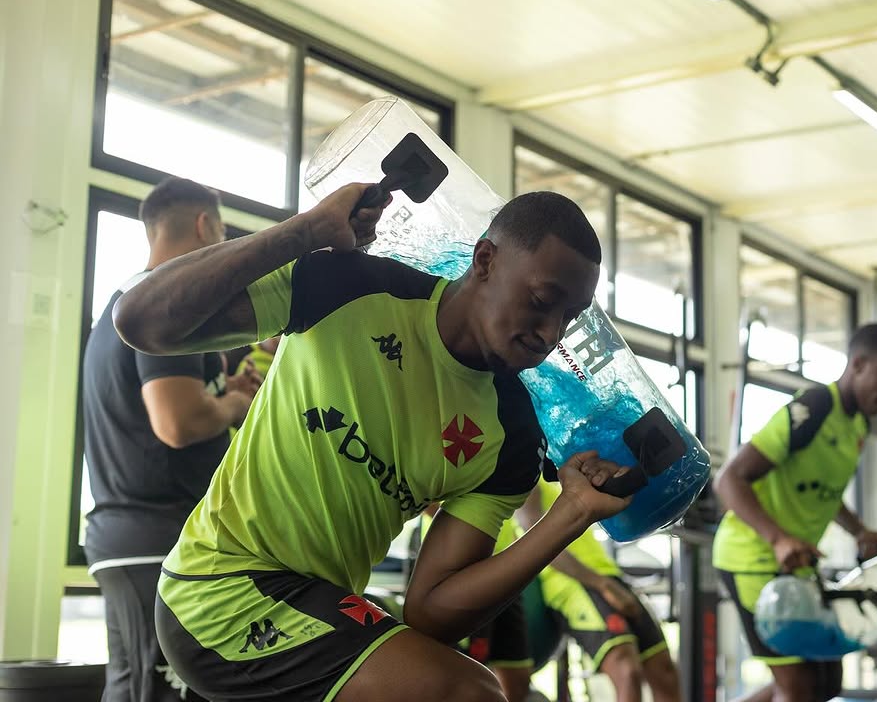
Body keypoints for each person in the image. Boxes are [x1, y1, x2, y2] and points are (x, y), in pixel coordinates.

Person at [113, 184, 632, 702]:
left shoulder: (512, 436)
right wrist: (305, 231)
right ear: (485, 260)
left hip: (317, 606)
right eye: (541, 302)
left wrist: (570, 514)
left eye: (569, 318)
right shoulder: (350, 286)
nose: (549, 333)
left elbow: (431, 611)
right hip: (219, 588)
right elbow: (140, 320)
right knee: (472, 694)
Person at [82, 177, 260, 702]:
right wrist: (233, 405)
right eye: (224, 231)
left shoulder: (130, 300)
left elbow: (164, 406)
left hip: (131, 536)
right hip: (154, 536)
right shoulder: (169, 302)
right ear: (206, 225)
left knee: (137, 686)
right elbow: (176, 424)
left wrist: (219, 386)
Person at [712, 323, 877, 702]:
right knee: (799, 687)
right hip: (751, 557)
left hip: (795, 563)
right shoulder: (814, 407)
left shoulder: (857, 426)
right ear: (858, 364)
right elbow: (729, 480)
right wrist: (779, 538)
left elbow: (825, 491)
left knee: (826, 681)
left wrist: (859, 530)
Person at [517, 479, 682, 702]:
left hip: (607, 574)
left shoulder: (561, 477)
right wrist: (602, 585)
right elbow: (535, 541)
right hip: (572, 584)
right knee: (627, 670)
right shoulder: (529, 479)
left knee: (665, 672)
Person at [417, 507, 535, 702]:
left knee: (517, 677)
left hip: (504, 566)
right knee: (464, 677)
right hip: (459, 566)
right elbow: (427, 501)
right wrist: (468, 534)